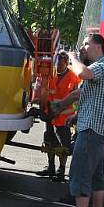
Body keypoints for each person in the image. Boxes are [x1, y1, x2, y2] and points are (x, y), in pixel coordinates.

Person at [50, 33, 104, 207]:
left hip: (91, 131)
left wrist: (72, 58)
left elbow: (82, 74)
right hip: (98, 129)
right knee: (96, 176)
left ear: (98, 46)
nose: (84, 47)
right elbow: (84, 94)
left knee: (79, 174)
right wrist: (72, 114)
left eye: (87, 44)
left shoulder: (101, 67)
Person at [37, 51, 80, 181]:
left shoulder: (73, 77)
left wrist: (64, 113)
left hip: (63, 118)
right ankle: (50, 167)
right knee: (49, 142)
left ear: (66, 63)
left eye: (61, 64)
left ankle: (60, 171)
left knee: (63, 146)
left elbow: (75, 100)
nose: (59, 67)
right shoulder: (51, 74)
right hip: (50, 114)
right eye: (57, 64)